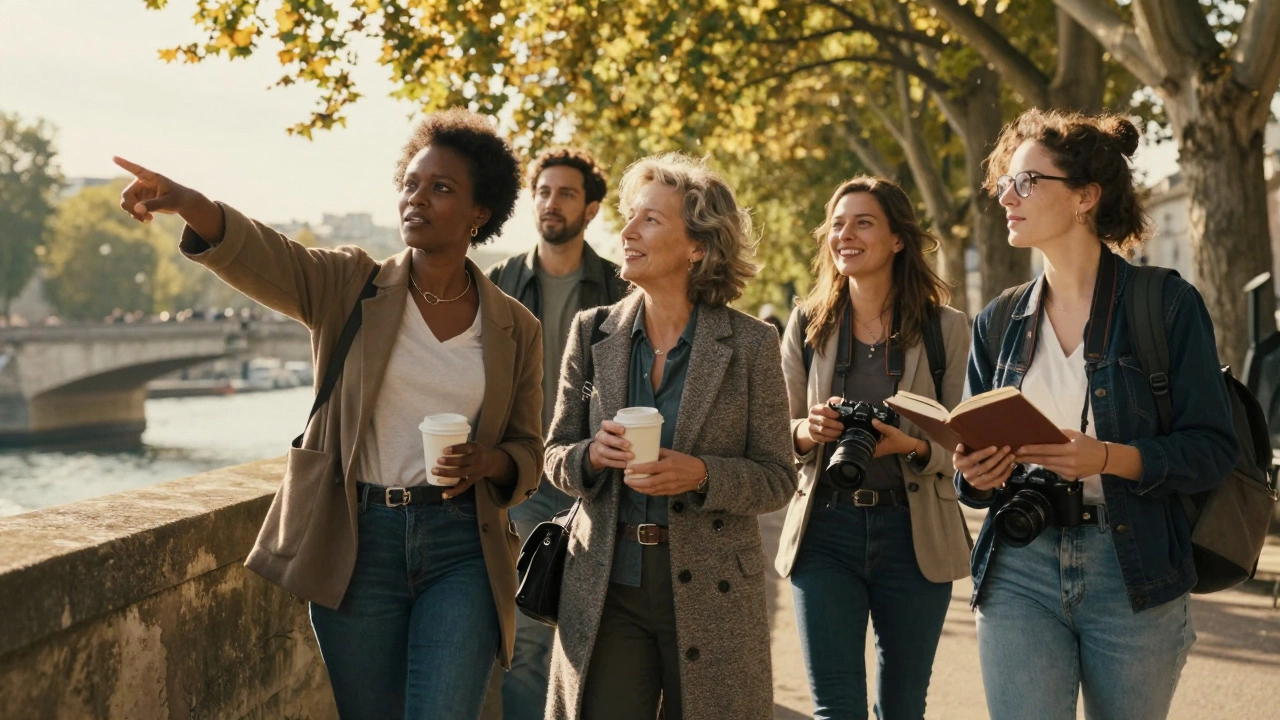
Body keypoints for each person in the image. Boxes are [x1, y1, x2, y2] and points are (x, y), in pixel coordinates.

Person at [113, 107, 544, 720]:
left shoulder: (514, 327)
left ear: (480, 211)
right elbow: (267, 255)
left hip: (463, 548)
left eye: (441, 188)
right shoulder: (349, 284)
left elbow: (529, 450)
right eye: (411, 183)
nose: (417, 198)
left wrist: (491, 462)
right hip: (357, 542)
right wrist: (187, 202)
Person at [954, 109, 1238, 720]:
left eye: (1026, 182)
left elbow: (1213, 450)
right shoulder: (998, 321)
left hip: (1131, 567)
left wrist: (1106, 458)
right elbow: (968, 472)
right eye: (1005, 182)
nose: (1006, 196)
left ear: (1085, 197)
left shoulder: (1166, 304)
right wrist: (974, 474)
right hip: (1019, 561)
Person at [542, 153, 797, 720]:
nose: (627, 231)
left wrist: (702, 474)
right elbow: (555, 453)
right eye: (630, 216)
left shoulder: (752, 344)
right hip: (606, 586)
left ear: (697, 247)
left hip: (714, 592)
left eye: (650, 219)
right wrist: (591, 455)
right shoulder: (591, 332)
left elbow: (779, 477)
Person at [774, 176, 973, 720]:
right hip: (824, 531)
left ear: (897, 239)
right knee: (835, 709)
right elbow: (776, 431)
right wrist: (808, 431)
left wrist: (911, 447)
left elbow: (963, 441)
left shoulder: (946, 328)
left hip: (915, 534)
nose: (846, 235)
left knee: (903, 709)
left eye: (864, 223)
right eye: (838, 224)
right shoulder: (807, 324)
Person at [483, 147, 628, 720]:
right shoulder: (500, 282)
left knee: (600, 633)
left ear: (591, 209)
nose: (551, 202)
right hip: (522, 477)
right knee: (527, 634)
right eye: (543, 191)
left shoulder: (619, 287)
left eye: (566, 193)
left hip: (596, 478)